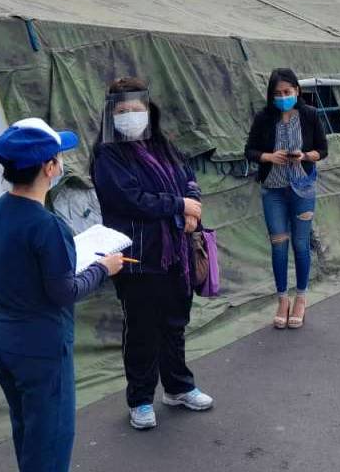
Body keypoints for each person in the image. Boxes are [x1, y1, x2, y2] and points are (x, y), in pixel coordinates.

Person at [0, 118, 124, 472]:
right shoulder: (48, 226)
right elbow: (64, 291)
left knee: (26, 432)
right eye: (59, 157)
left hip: (5, 339)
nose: (62, 163)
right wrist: (102, 268)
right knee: (50, 443)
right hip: (42, 346)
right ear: (49, 168)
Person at [91, 78, 213, 432]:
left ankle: (178, 387)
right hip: (138, 257)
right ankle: (141, 399)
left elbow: (189, 178)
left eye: (136, 108)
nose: (130, 115)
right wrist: (179, 205)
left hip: (175, 251)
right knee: (142, 328)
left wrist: (192, 209)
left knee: (175, 323)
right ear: (111, 114)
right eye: (122, 110)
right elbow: (129, 199)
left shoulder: (162, 143)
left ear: (148, 109)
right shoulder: (107, 155)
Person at [245, 68, 328, 329]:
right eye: (277, 93)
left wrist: (305, 156)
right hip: (274, 190)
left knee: (301, 244)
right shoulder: (264, 118)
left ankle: (301, 298)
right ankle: (282, 300)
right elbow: (249, 150)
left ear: (297, 91)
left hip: (302, 188)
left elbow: (323, 150)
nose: (283, 97)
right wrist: (269, 157)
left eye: (287, 92)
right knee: (278, 245)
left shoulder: (310, 115)